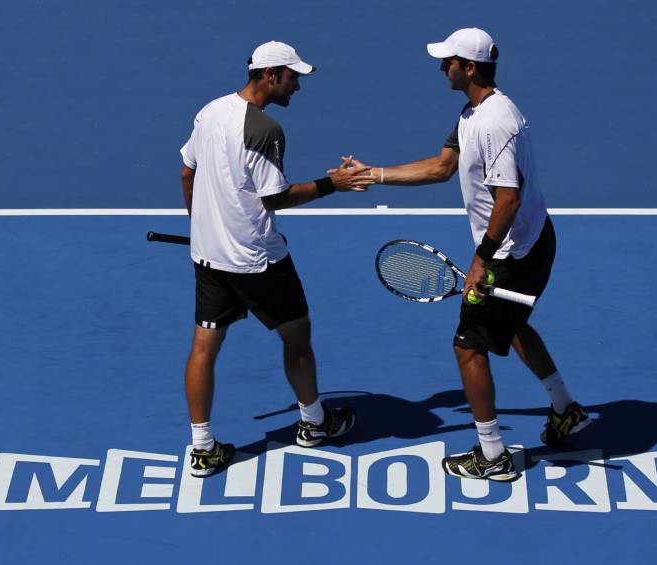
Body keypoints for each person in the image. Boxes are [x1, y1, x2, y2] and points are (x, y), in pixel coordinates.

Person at [350, 28, 590, 481]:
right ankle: (565, 408)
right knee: (513, 325)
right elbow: (442, 167)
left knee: (468, 347)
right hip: (528, 241)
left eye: (449, 61)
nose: (443, 67)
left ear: (471, 67)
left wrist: (482, 262)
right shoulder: (472, 113)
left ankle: (493, 455)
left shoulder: (494, 121)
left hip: (512, 254)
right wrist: (373, 174)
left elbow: (508, 198)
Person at [179, 40, 372, 477]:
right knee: (297, 336)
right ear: (270, 75)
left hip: (209, 258)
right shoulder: (266, 130)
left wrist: (202, 225)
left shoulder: (209, 112)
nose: (297, 87)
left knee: (204, 346)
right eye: (293, 77)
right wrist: (332, 184)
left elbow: (187, 172)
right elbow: (276, 197)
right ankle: (314, 423)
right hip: (258, 261)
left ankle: (203, 449)